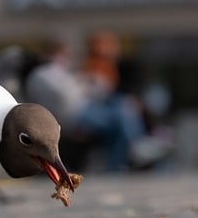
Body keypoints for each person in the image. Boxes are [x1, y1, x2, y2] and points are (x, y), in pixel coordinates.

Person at [26, 36, 168, 172]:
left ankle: (117, 166)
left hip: (85, 109)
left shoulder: (63, 72)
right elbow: (67, 96)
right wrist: (83, 83)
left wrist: (87, 82)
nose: (68, 57)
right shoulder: (44, 73)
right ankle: (136, 145)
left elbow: (95, 90)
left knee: (122, 111)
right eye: (65, 53)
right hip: (73, 115)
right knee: (122, 112)